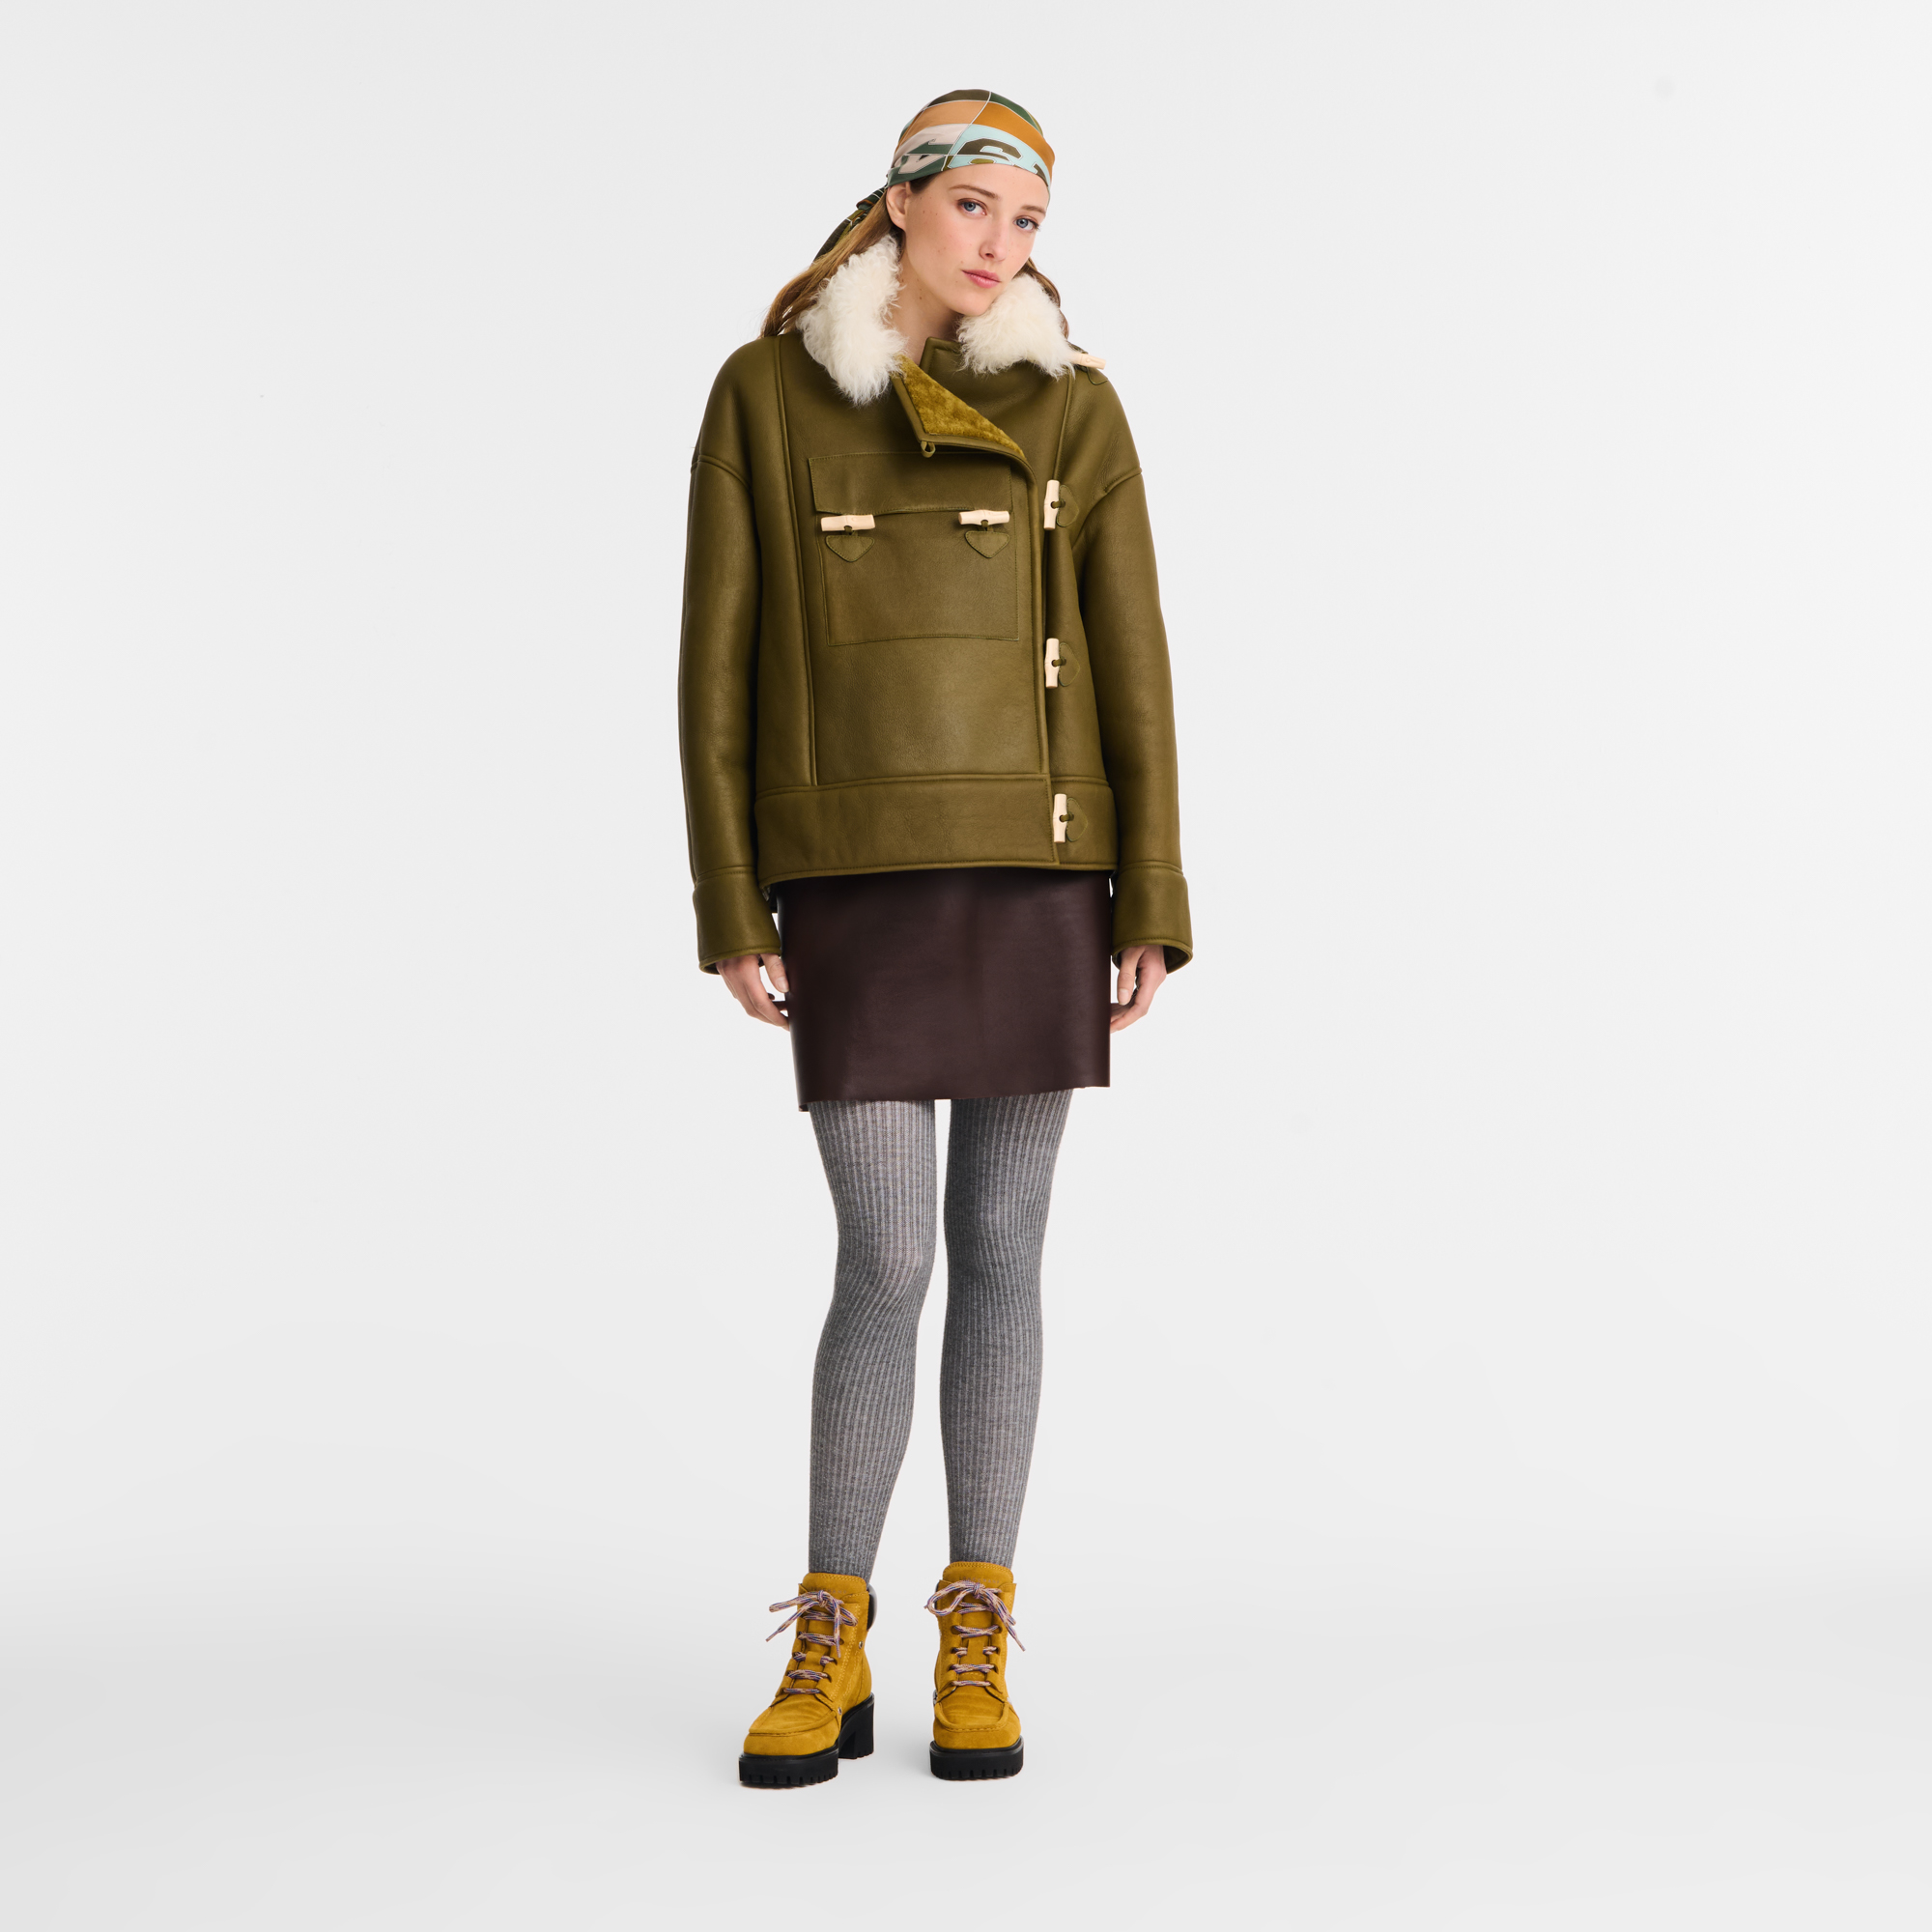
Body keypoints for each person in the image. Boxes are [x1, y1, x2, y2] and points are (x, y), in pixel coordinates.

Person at [677, 89, 1192, 1788]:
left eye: (1028, 222)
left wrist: (1152, 892)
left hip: (1036, 865)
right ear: (900, 201)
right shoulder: (765, 395)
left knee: (1003, 1251)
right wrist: (731, 897)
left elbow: (1134, 663)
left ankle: (977, 1620)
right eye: (976, 205)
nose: (1001, 245)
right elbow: (714, 667)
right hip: (853, 865)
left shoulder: (1075, 406)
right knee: (888, 1255)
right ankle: (830, 1630)